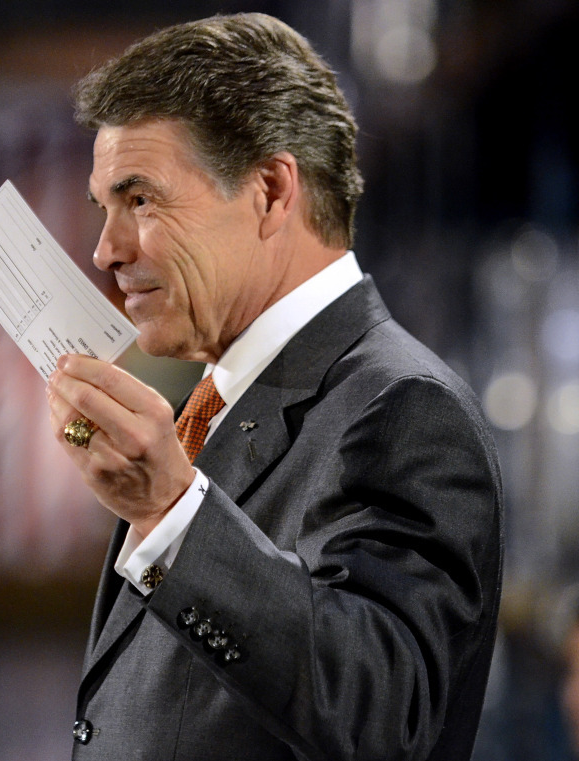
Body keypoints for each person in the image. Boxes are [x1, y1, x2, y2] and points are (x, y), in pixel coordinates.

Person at [44, 12, 504, 761]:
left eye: (141, 199)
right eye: (105, 206)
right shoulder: (216, 401)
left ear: (269, 189)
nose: (105, 249)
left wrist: (169, 513)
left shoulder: (407, 408)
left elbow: (382, 715)